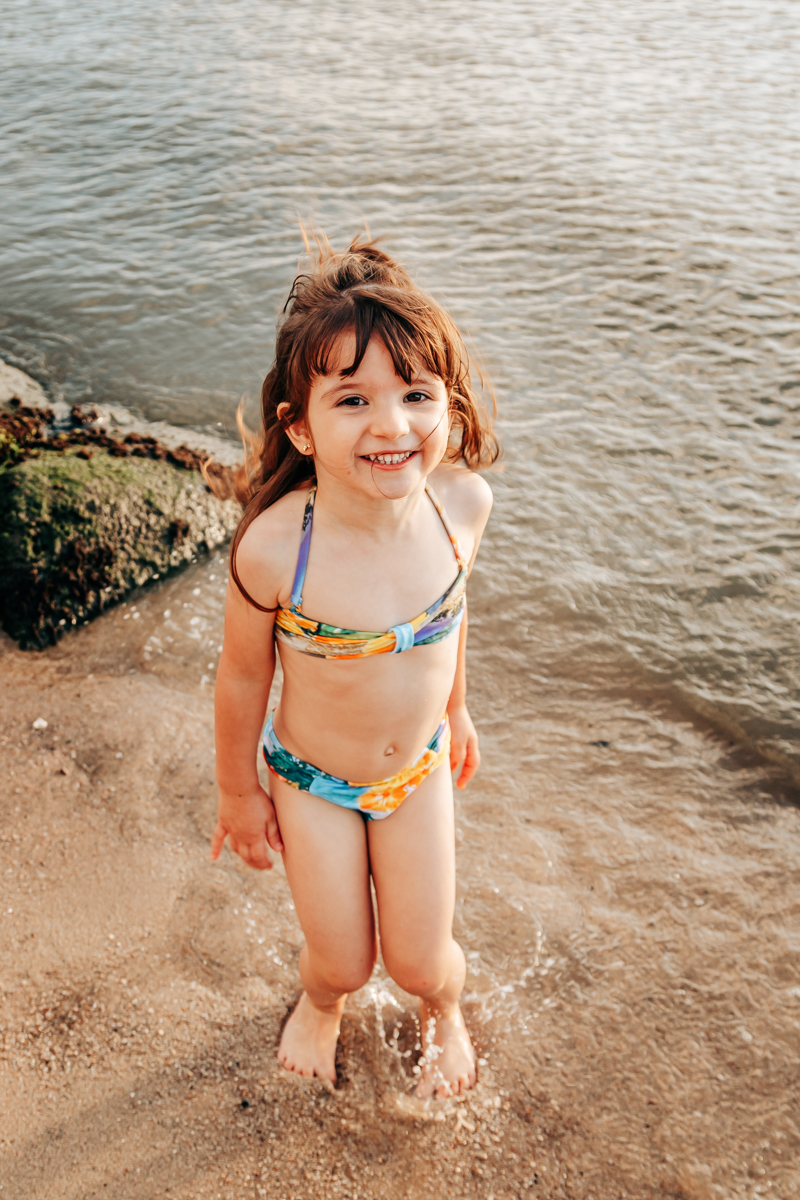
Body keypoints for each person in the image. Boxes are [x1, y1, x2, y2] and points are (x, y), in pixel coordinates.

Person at [210, 235, 499, 1098]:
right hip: (311, 778)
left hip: (416, 774)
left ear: (448, 404)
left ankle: (441, 1013)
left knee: (420, 960)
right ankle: (323, 1004)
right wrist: (238, 789)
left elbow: (450, 615)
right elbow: (240, 677)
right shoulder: (277, 549)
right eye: (353, 400)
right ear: (299, 423)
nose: (392, 424)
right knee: (340, 955)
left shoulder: (460, 508)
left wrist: (456, 711)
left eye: (417, 394)